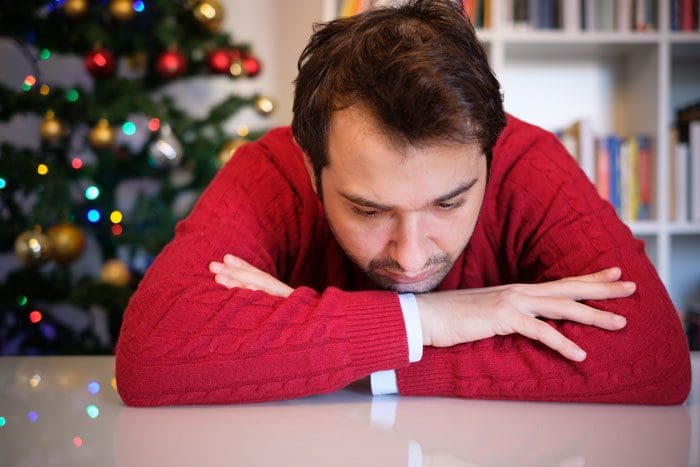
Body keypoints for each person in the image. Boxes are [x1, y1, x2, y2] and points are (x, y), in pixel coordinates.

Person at [115, 0, 690, 406]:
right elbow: (152, 353)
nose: (411, 258)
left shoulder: (530, 160)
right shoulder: (272, 167)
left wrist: (327, 344)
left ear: (489, 157)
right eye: (368, 210)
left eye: (449, 204)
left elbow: (653, 355)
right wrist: (433, 321)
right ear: (311, 168)